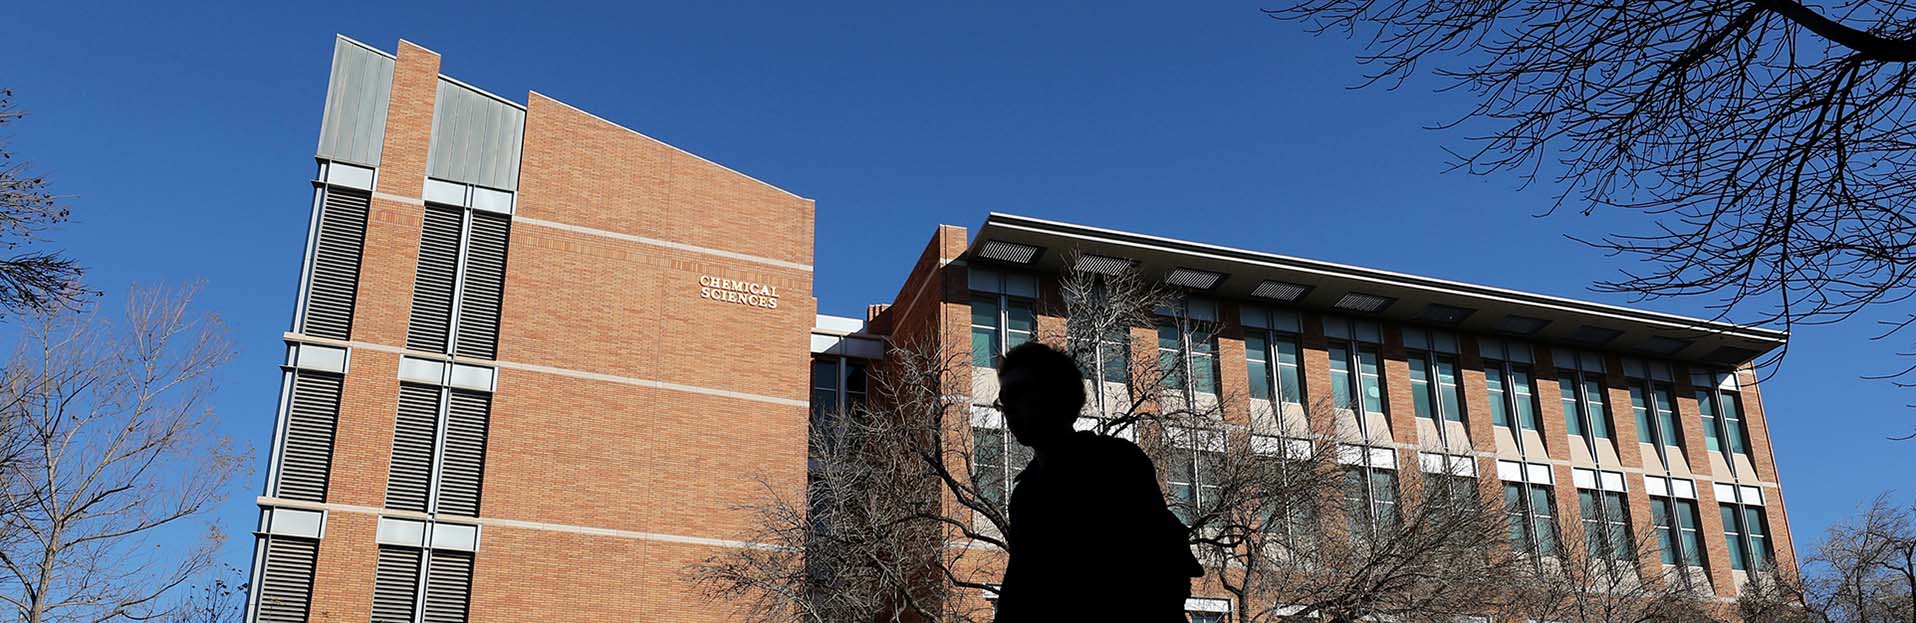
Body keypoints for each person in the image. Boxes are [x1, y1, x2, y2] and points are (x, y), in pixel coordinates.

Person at [989, 342, 1202, 622]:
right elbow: (1020, 587)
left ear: (1055, 396)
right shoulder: (1026, 492)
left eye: (1018, 394)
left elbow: (1156, 571)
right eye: (1004, 400)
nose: (1008, 409)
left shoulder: (1117, 465)